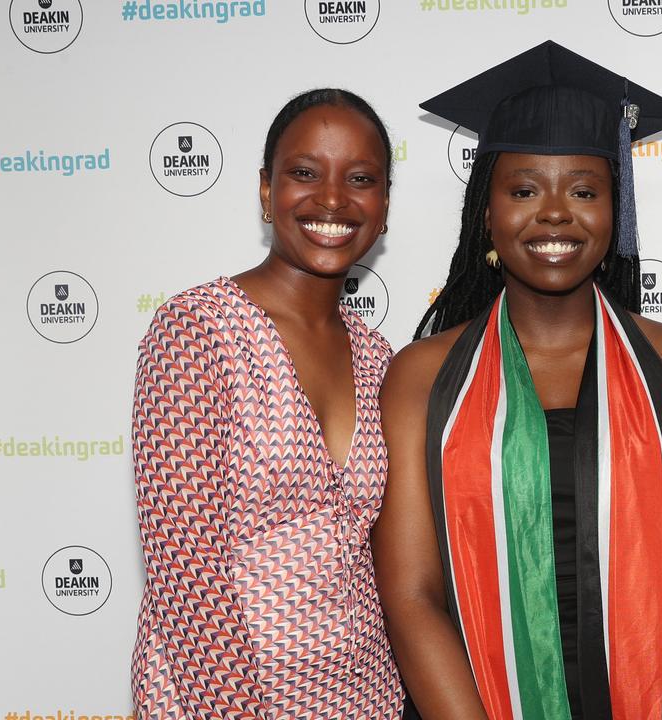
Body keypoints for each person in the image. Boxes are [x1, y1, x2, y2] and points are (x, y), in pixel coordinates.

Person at [374, 41, 662, 720]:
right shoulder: (422, 379)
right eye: (524, 190)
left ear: (616, 211)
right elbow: (412, 597)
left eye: (584, 190)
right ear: (486, 212)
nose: (555, 213)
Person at [131, 88, 405, 719]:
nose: (332, 199)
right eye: (304, 173)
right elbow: (185, 571)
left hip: (364, 695)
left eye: (360, 179)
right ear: (265, 191)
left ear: (384, 205)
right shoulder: (197, 329)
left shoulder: (378, 356)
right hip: (224, 697)